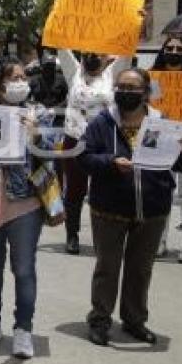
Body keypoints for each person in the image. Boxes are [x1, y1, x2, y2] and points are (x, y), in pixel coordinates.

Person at [80, 68, 182, 346]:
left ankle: (134, 320)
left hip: (152, 208)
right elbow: (85, 158)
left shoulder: (163, 123)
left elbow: (179, 165)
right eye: (121, 87)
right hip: (109, 209)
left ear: (146, 93)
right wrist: (111, 162)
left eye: (133, 88)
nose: (126, 93)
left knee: (141, 269)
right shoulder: (101, 123)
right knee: (108, 267)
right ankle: (100, 320)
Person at [0, 56, 59, 360]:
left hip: (25, 202)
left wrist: (37, 135)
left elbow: (56, 147)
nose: (20, 82)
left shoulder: (39, 113)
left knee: (23, 268)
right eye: (12, 78)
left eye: (22, 77)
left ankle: (23, 329)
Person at [58, 49, 130, 255]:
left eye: (98, 54)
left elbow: (126, 48)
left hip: (104, 140)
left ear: (109, 57)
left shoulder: (112, 75)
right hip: (74, 139)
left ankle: (106, 238)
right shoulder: (74, 72)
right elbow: (61, 47)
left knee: (106, 188)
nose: (92, 57)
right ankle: (72, 235)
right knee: (74, 189)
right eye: (88, 53)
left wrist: (137, 22)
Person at [149, 35, 182, 262]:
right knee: (161, 192)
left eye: (179, 48)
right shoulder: (153, 79)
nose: (174, 51)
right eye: (169, 47)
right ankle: (159, 241)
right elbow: (151, 110)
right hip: (162, 143)